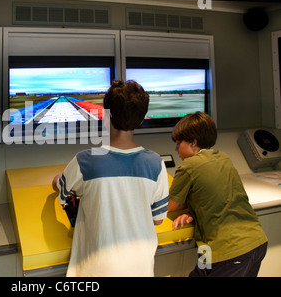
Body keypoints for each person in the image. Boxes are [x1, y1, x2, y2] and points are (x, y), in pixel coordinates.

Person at [52, 80, 169, 277]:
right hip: (140, 269)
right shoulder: (157, 164)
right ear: (141, 120)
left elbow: (61, 191)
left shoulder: (84, 161)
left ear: (106, 117)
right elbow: (158, 220)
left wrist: (57, 180)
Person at [168, 112, 268, 277]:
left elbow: (173, 205)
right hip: (251, 243)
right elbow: (213, 195)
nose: (176, 149)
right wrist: (192, 211)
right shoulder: (223, 158)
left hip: (232, 252)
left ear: (193, 142)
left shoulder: (189, 166)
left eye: (179, 143)